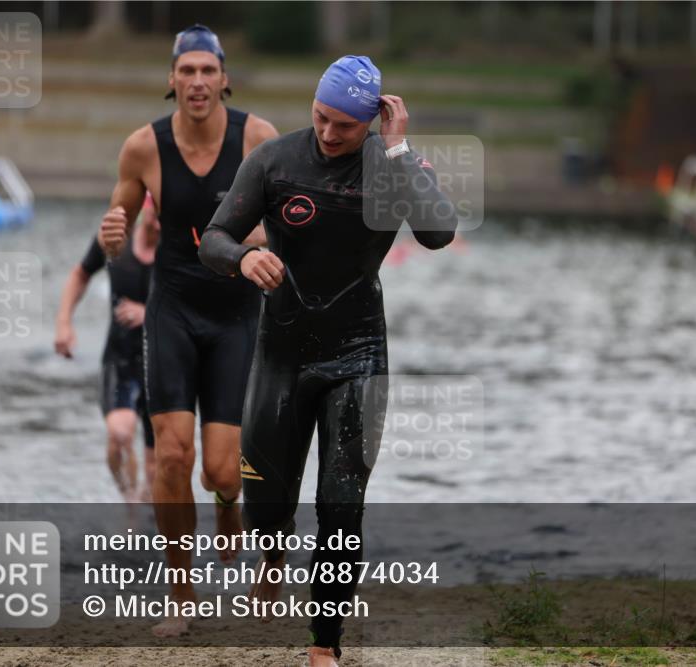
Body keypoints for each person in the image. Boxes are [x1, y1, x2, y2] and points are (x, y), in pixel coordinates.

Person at [199, 55, 457, 667]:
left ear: (372, 122)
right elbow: (213, 238)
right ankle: (272, 551)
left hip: (358, 354)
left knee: (341, 505)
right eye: (320, 116)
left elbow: (439, 232)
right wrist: (243, 258)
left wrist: (398, 151)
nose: (328, 132)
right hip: (282, 353)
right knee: (265, 508)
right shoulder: (275, 161)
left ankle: (324, 645)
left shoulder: (392, 166)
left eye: (344, 125)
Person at [97, 24, 278, 638]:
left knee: (221, 472)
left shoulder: (257, 139)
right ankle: (181, 593)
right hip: (171, 310)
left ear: (224, 79)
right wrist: (111, 237)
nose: (197, 81)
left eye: (208, 71)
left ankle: (228, 504)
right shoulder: (142, 148)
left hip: (235, 315)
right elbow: (117, 227)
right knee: (172, 455)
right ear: (171, 80)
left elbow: (288, 224)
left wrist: (256, 239)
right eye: (187, 71)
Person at [55, 194, 159, 502]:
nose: (158, 224)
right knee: (119, 432)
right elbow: (80, 274)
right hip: (120, 357)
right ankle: (128, 499)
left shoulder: (176, 250)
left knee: (156, 473)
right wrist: (64, 322)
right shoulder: (115, 241)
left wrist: (148, 314)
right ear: (144, 210)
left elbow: (195, 302)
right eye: (154, 214)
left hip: (162, 362)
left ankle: (146, 510)